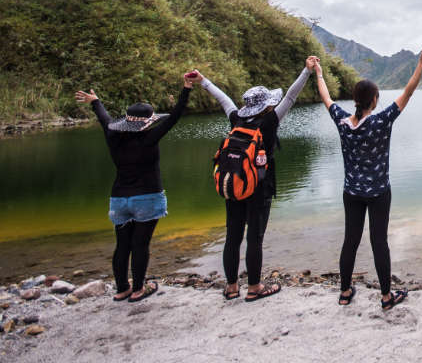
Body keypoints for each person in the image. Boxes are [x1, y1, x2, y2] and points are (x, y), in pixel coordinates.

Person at [313, 50, 422, 310]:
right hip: (378, 192)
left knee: (350, 241)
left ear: (355, 100)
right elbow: (408, 93)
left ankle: (344, 292)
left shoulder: (343, 122)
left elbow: (325, 97)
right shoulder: (381, 122)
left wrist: (318, 73)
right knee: (379, 243)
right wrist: (421, 64)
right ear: (374, 100)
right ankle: (386, 297)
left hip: (351, 192)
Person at [193, 59, 314, 302]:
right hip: (260, 187)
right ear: (268, 105)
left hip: (235, 184)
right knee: (255, 239)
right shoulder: (270, 121)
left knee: (232, 237)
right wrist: (307, 71)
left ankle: (231, 287)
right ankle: (255, 287)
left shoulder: (237, 118)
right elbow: (290, 96)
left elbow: (223, 99)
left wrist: (203, 81)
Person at [75, 72, 197, 302]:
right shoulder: (149, 137)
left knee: (122, 245)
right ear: (148, 121)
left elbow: (103, 117)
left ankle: (122, 288)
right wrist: (186, 88)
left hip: (119, 199)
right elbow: (175, 116)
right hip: (147, 197)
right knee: (140, 244)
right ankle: (139, 288)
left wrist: (95, 102)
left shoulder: (112, 134)